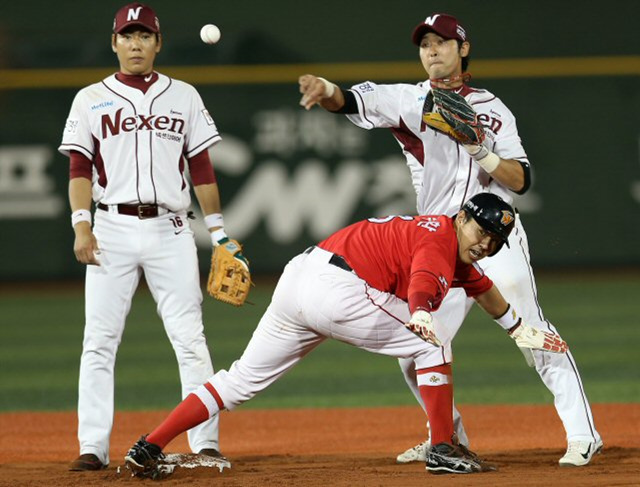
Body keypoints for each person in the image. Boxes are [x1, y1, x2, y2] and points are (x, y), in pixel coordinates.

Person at [297, 13, 602, 467]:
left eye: (442, 42)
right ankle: (446, 436)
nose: (432, 51)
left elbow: (520, 181)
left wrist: (481, 149)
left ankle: (583, 434)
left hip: (495, 237)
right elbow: (350, 101)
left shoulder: (493, 107)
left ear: (464, 49)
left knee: (529, 330)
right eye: (425, 45)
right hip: (438, 238)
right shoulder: (408, 99)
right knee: (416, 340)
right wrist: (325, 89)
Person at [122, 193, 568, 477]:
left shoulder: (450, 245)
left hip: (300, 277)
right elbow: (423, 280)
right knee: (432, 343)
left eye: (495, 241)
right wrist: (419, 313)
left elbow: (483, 289)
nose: (485, 244)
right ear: (461, 217)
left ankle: (150, 445)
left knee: (239, 380)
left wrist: (519, 330)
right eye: (482, 231)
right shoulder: (441, 240)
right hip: (339, 288)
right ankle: (442, 449)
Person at [59, 2, 243, 471]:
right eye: (127, 35)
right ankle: (92, 447)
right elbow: (79, 167)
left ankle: (205, 442)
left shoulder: (183, 95)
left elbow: (201, 168)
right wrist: (82, 222)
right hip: (111, 227)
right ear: (114, 42)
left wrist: (219, 234)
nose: (135, 43)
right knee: (99, 340)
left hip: (172, 229)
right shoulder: (89, 98)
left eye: (144, 35)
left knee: (190, 339)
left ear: (158, 43)